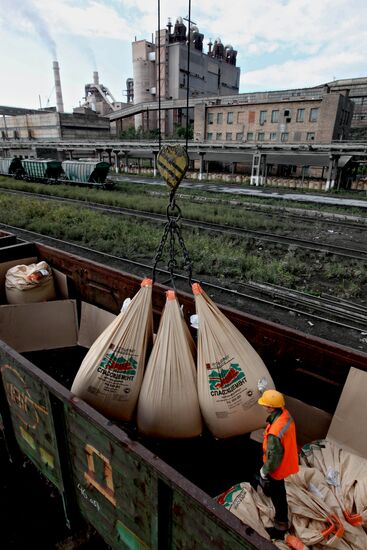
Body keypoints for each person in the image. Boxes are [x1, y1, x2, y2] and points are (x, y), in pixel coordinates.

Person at [257, 389, 299, 540]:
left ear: (270, 407)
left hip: (277, 468)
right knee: (276, 490)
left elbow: (274, 458)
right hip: (286, 460)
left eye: (265, 405)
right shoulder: (284, 414)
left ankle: (281, 525)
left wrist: (265, 470)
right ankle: (268, 488)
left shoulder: (275, 431)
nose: (264, 407)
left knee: (278, 496)